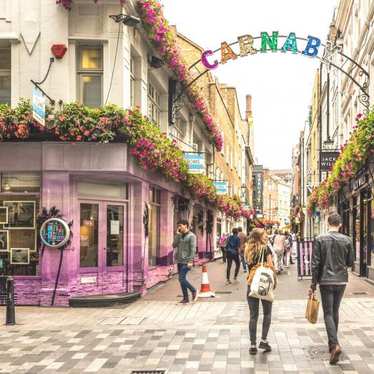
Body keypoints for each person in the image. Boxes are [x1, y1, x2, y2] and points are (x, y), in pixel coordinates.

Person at [309, 212, 354, 365]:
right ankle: (332, 344)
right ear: (340, 224)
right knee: (335, 311)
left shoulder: (320, 239)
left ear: (328, 223)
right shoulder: (347, 240)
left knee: (328, 312)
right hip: (341, 280)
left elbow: (315, 264)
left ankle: (334, 345)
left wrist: (313, 285)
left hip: (325, 281)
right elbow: (350, 262)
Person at [245, 228, 275, 355]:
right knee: (267, 313)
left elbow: (249, 264)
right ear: (258, 237)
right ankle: (263, 340)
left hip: (252, 283)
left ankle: (252, 344)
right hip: (264, 283)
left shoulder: (248, 249)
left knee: (253, 315)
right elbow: (270, 266)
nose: (266, 236)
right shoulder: (265, 249)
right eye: (264, 235)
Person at [172, 219, 198, 304]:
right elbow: (174, 245)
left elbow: (193, 249)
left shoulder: (192, 236)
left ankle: (193, 290)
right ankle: (186, 298)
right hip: (180, 260)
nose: (179, 227)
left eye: (180, 226)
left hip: (187, 261)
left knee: (181, 278)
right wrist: (177, 235)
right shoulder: (179, 236)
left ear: (186, 225)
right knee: (181, 280)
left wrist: (190, 260)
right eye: (178, 226)